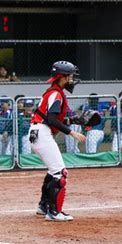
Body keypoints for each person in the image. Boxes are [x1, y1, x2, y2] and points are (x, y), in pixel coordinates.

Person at [30, 61, 86, 221]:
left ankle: (43, 206)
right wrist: (71, 133)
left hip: (38, 132)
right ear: (61, 77)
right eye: (69, 76)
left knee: (53, 171)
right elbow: (52, 119)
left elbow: (50, 118)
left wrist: (73, 121)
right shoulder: (56, 94)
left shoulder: (53, 92)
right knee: (60, 173)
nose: (71, 79)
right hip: (42, 133)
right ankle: (54, 212)